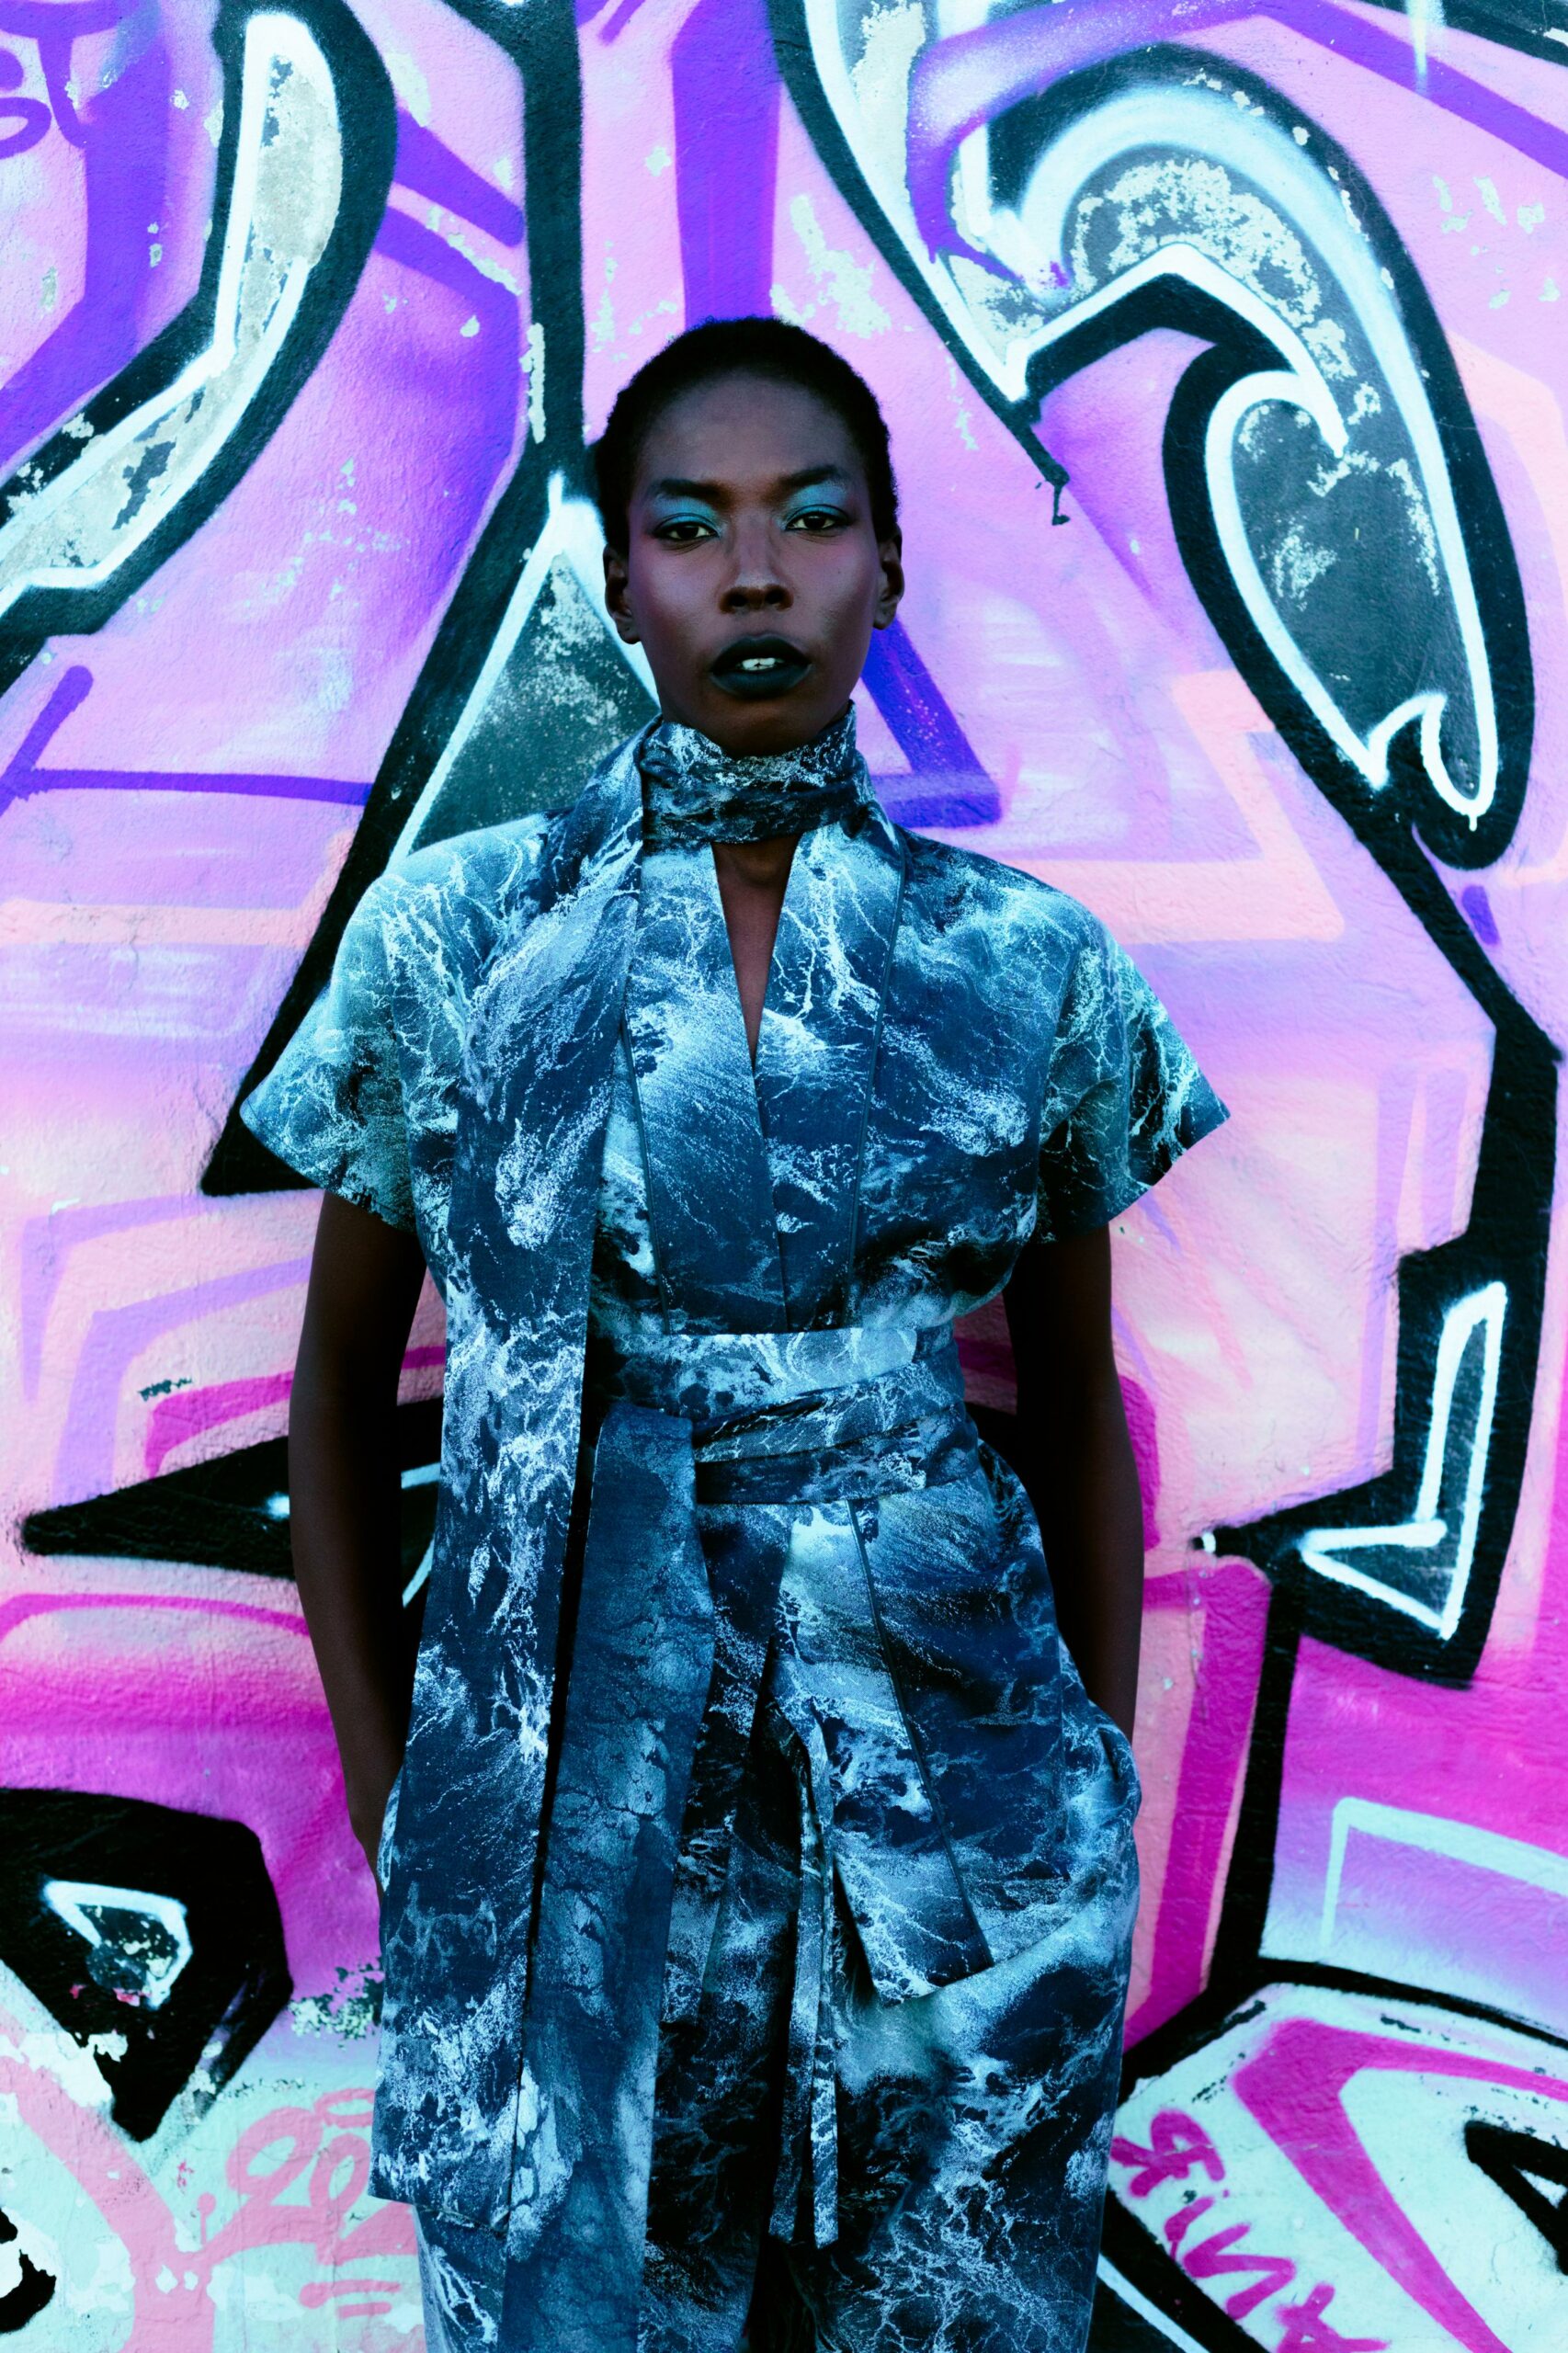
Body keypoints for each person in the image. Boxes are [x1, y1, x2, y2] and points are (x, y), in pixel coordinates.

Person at [242, 316, 1227, 2353]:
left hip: (957, 1806)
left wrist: (1094, 1805)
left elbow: (1070, 1405)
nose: (753, 575)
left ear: (886, 565)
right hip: (564, 1808)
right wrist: (406, 1796)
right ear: (619, 580)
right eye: (689, 528)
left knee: (946, 2312)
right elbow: (334, 1396)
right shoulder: (458, 938)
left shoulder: (1025, 966)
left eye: (810, 520)